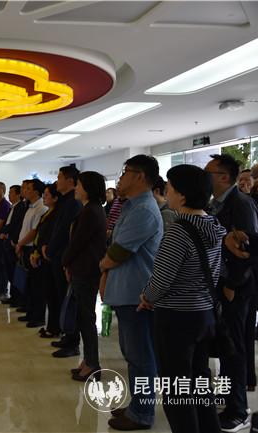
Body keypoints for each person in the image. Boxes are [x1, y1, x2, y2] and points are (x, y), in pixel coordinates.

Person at [139, 164, 225, 433]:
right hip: (204, 313)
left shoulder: (179, 231)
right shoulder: (213, 225)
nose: (166, 192)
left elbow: (162, 278)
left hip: (177, 318)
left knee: (176, 389)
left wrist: (147, 296)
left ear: (183, 195)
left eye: (170, 188)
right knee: (199, 383)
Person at [100, 155, 162, 431]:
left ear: (139, 176)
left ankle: (143, 413)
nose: (120, 178)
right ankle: (138, 405)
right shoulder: (131, 205)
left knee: (141, 356)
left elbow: (118, 252)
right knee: (133, 354)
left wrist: (103, 265)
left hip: (137, 293)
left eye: (125, 172)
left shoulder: (144, 210)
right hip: (126, 291)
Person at [205, 153, 258, 432]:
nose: (204, 178)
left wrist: (231, 285)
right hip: (221, 284)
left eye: (208, 173)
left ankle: (238, 410)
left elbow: (247, 251)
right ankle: (227, 396)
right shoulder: (215, 203)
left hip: (236, 287)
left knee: (235, 347)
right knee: (225, 345)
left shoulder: (241, 203)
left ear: (224, 177)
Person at [62, 171, 107, 381]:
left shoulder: (91, 211)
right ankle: (88, 360)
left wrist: (65, 261)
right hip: (84, 268)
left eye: (79, 185)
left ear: (88, 188)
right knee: (83, 317)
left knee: (86, 318)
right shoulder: (91, 209)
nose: (76, 188)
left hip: (86, 270)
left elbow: (77, 243)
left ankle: (92, 364)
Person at [45, 165, 82, 357]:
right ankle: (67, 335)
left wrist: (50, 250)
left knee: (68, 300)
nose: (56, 181)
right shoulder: (64, 201)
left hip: (63, 256)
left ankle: (72, 341)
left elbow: (64, 232)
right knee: (61, 297)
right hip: (57, 255)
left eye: (59, 177)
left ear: (70, 181)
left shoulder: (73, 202)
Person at [14, 179, 47, 324]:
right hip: (24, 247)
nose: (25, 191)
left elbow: (34, 232)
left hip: (32, 249)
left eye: (28, 188)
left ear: (36, 192)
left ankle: (38, 316)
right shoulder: (30, 207)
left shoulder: (41, 208)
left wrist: (20, 243)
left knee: (37, 285)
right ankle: (30, 310)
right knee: (29, 283)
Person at [31, 183, 61, 338]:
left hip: (49, 256)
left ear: (55, 198)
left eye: (47, 195)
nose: (44, 197)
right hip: (41, 253)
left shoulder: (57, 214)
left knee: (52, 294)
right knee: (47, 292)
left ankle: (54, 327)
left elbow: (51, 236)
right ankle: (51, 326)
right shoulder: (48, 213)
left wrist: (42, 250)